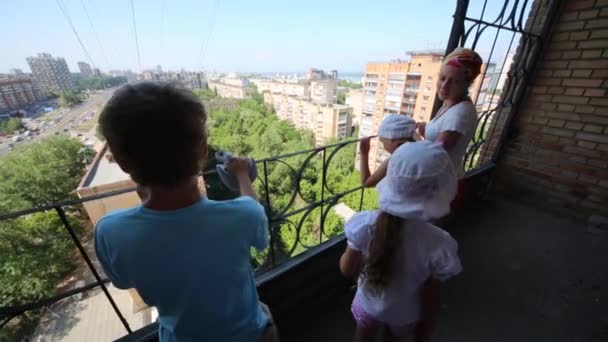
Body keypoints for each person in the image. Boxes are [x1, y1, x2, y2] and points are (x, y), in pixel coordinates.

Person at [94, 82, 278, 342]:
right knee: (265, 314)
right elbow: (256, 218)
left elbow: (123, 280)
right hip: (248, 335)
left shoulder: (110, 231)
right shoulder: (242, 215)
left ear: (123, 162)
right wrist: (241, 175)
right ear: (203, 150)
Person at [340, 141, 462, 342]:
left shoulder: (365, 224)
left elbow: (346, 269)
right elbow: (431, 300)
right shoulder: (440, 244)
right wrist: (424, 333)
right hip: (404, 314)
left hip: (369, 305)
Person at [417, 48, 483, 207]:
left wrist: (407, 139)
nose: (444, 86)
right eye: (442, 78)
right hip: (438, 182)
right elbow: (441, 138)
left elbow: (436, 154)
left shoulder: (460, 113)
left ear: (467, 84)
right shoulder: (449, 104)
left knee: (426, 231)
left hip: (442, 187)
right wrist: (425, 129)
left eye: (454, 81)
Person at [359, 114, 416, 188]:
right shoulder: (421, 149)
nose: (383, 146)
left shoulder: (395, 160)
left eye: (383, 142)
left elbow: (366, 182)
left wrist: (364, 153)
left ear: (392, 139)